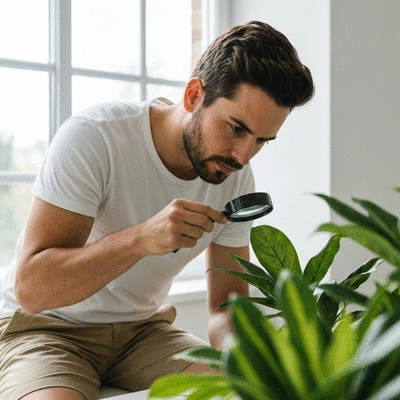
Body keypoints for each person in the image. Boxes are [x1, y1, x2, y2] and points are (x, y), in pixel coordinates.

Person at [0, 20, 314, 400]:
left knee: (247, 392)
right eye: (235, 128)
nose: (242, 155)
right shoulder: (96, 137)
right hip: (45, 328)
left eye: (261, 140)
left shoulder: (234, 176)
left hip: (142, 332)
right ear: (194, 95)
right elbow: (33, 289)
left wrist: (241, 356)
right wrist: (141, 239)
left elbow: (227, 303)